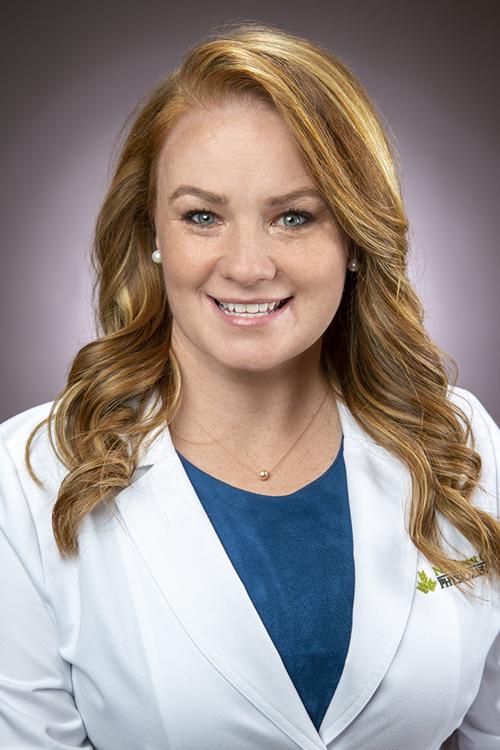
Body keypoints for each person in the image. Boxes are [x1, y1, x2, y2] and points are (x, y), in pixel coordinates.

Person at [0, 21, 498, 750]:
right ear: (152, 234)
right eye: (202, 216)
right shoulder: (28, 477)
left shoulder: (462, 444)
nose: (247, 266)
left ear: (354, 237)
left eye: (294, 217)